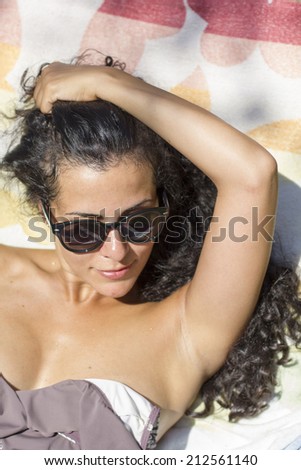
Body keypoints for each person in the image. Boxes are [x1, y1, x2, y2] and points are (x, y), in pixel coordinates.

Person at [0, 55, 300, 450]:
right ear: (45, 213)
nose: (117, 251)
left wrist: (105, 82)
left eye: (138, 222)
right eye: (83, 230)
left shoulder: (186, 329)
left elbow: (251, 172)